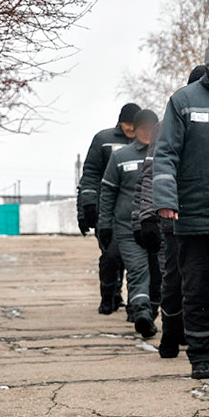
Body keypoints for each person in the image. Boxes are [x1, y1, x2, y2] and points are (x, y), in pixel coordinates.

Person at [153, 31, 209, 379]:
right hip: (193, 215)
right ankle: (201, 355)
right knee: (197, 289)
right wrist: (165, 198)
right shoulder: (183, 101)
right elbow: (166, 153)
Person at [134, 65, 209, 361]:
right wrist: (147, 216)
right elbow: (151, 174)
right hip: (175, 220)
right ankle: (171, 332)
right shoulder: (168, 124)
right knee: (176, 283)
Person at [98, 109, 161, 339]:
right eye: (142, 129)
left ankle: (151, 311)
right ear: (134, 130)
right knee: (137, 271)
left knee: (158, 275)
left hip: (158, 228)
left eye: (151, 129)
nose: (147, 133)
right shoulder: (120, 157)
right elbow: (107, 193)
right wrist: (104, 224)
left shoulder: (165, 155)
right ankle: (141, 312)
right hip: (127, 228)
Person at [78, 103, 141, 315]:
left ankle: (136, 303)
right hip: (107, 210)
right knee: (111, 255)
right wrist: (86, 208)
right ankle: (109, 295)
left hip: (136, 210)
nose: (131, 129)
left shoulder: (147, 141)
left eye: (134, 124)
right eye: (127, 124)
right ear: (120, 122)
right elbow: (90, 175)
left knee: (135, 259)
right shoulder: (103, 140)